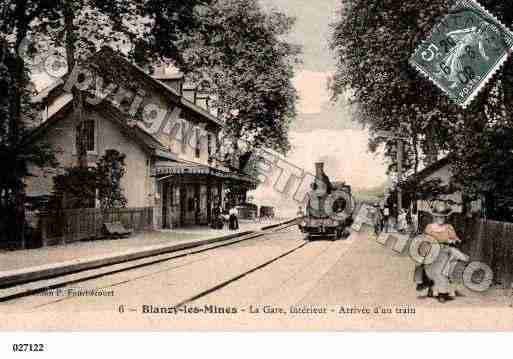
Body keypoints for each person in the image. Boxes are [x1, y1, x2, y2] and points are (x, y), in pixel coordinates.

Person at [414, 201, 461, 303]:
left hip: (444, 251)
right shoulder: (429, 227)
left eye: (442, 217)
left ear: (445, 217)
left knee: (442, 272)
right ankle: (424, 282)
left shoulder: (449, 228)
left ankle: (442, 293)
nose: (440, 219)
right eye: (438, 217)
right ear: (434, 217)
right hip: (432, 250)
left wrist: (454, 240)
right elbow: (424, 238)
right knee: (422, 265)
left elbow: (454, 237)